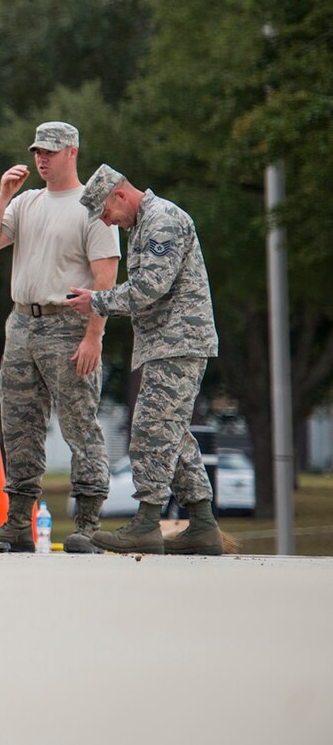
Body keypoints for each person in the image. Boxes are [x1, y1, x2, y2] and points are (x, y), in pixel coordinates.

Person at [0, 121, 120, 552]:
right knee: (19, 423)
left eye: (51, 151)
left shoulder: (92, 206)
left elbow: (105, 277)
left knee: (79, 423)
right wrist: (3, 197)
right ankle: (18, 521)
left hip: (68, 323)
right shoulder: (28, 202)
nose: (42, 158)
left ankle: (88, 522)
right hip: (22, 321)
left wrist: (94, 336)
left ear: (73, 151)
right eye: (38, 151)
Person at [63, 166, 223, 555]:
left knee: (151, 429)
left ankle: (147, 522)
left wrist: (96, 301)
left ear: (120, 195)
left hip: (179, 342)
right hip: (167, 343)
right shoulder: (142, 226)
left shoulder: (163, 220)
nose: (106, 221)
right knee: (174, 434)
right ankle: (203, 524)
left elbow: (151, 286)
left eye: (105, 213)